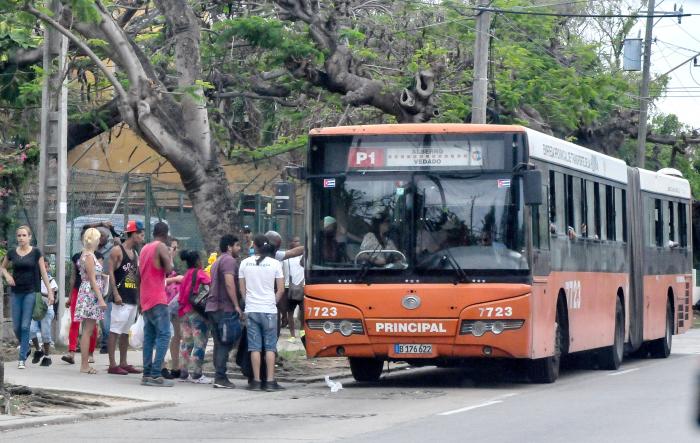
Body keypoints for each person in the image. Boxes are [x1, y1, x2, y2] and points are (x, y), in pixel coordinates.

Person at [1, 225, 55, 369]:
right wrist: (7, 275)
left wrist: (50, 292)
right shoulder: (12, 252)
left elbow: (43, 273)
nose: (21, 238)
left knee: (25, 326)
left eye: (24, 235)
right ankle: (26, 347)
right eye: (19, 235)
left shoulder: (36, 252)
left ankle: (21, 358)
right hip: (16, 292)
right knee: (17, 327)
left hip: (31, 292)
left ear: (30, 237)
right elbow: (2, 267)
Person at [240, 235, 286, 391]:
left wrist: (249, 302)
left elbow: (242, 289)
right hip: (269, 310)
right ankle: (271, 381)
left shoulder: (244, 263)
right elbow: (280, 289)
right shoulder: (275, 264)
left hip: (252, 310)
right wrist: (273, 301)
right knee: (270, 347)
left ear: (254, 246)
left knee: (254, 348)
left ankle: (257, 381)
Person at [138, 222, 175, 387]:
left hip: (145, 297)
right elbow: (169, 269)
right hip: (157, 297)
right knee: (164, 335)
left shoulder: (145, 248)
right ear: (166, 234)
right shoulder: (161, 246)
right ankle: (155, 374)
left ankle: (146, 373)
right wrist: (171, 254)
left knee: (149, 337)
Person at [205, 234, 243, 389]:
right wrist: (236, 305)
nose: (239, 249)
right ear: (229, 247)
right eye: (237, 245)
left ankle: (218, 375)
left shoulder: (217, 261)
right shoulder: (228, 260)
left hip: (213, 308)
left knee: (219, 342)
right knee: (225, 343)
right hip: (224, 309)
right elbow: (229, 284)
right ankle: (220, 377)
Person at [106, 220, 144, 376]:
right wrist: (115, 293)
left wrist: (139, 298)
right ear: (133, 234)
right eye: (140, 234)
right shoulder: (117, 251)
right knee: (115, 330)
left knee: (125, 331)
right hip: (120, 298)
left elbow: (136, 277)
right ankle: (112, 364)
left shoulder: (135, 253)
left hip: (132, 297)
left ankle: (123, 362)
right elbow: (111, 273)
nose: (142, 237)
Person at [74, 228, 109, 374]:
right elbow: (92, 278)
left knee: (88, 330)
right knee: (88, 330)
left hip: (88, 291)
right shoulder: (89, 256)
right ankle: (84, 365)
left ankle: (84, 363)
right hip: (90, 293)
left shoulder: (87, 254)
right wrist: (100, 298)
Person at [62, 248, 102, 365]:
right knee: (75, 321)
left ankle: (90, 353)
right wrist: (70, 296)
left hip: (92, 291)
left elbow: (99, 276)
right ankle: (71, 352)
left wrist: (100, 295)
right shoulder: (76, 256)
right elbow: (73, 277)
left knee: (91, 324)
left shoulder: (98, 255)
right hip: (78, 290)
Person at [177, 249, 212, 384]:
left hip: (184, 312)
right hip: (197, 313)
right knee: (200, 342)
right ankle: (197, 374)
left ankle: (183, 372)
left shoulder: (186, 275)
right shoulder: (200, 274)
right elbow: (210, 285)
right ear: (198, 261)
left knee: (186, 343)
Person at [29, 260, 58, 366]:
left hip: (47, 310)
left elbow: (53, 297)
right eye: (41, 267)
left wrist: (39, 293)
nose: (44, 269)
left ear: (48, 268)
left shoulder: (51, 281)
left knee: (45, 334)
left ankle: (47, 356)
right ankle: (38, 350)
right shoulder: (33, 280)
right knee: (31, 330)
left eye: (46, 266)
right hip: (35, 309)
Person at [162, 237, 184, 380]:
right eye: (173, 248)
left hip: (174, 302)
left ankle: (175, 366)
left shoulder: (172, 262)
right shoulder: (161, 262)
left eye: (176, 248)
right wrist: (176, 279)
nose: (175, 251)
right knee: (165, 335)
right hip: (163, 301)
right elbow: (158, 281)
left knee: (177, 335)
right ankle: (162, 365)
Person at [282, 237, 304, 341]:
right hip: (288, 287)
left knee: (303, 311)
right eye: (295, 241)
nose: (298, 243)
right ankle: (292, 335)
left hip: (302, 286)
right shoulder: (286, 257)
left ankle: (303, 332)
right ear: (291, 243)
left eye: (299, 241)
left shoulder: (304, 256)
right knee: (289, 312)